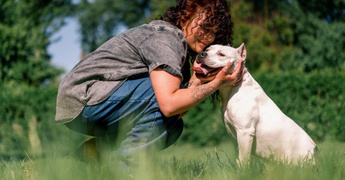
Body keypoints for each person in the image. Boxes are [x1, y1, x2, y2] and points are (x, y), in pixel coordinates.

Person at [55, 0, 245, 171]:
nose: (208, 36)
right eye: (203, 27)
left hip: (92, 104)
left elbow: (177, 111)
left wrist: (200, 79)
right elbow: (168, 104)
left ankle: (88, 156)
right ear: (186, 15)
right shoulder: (166, 39)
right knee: (163, 99)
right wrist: (217, 83)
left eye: (213, 32)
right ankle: (126, 169)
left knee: (172, 127)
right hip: (83, 98)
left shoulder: (179, 49)